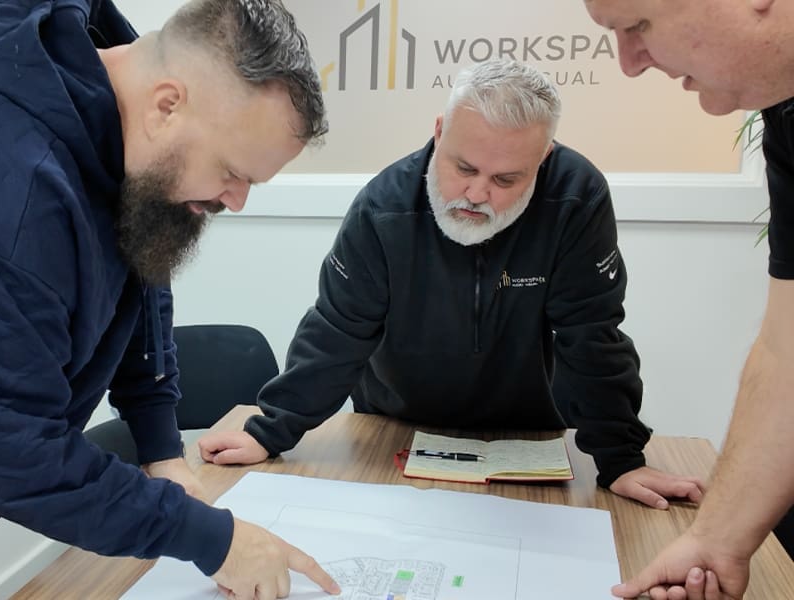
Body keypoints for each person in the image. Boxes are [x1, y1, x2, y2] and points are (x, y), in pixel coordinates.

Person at [198, 58, 705, 510]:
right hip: (393, 428)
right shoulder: (384, 208)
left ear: (543, 158)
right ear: (440, 131)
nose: (477, 193)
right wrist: (270, 431)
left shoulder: (576, 198)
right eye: (464, 167)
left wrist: (621, 460)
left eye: (507, 180)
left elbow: (592, 334)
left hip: (528, 434)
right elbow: (338, 330)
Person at [0, 0, 341, 598]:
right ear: (167, 106)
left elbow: (144, 267)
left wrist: (160, 446)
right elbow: (11, 446)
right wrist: (214, 540)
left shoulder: (124, 110)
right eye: (234, 173)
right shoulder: (19, 194)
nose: (237, 202)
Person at [582, 1, 794, 599]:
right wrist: (717, 540)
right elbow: (787, 352)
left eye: (638, 26)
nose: (629, 63)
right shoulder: (786, 113)